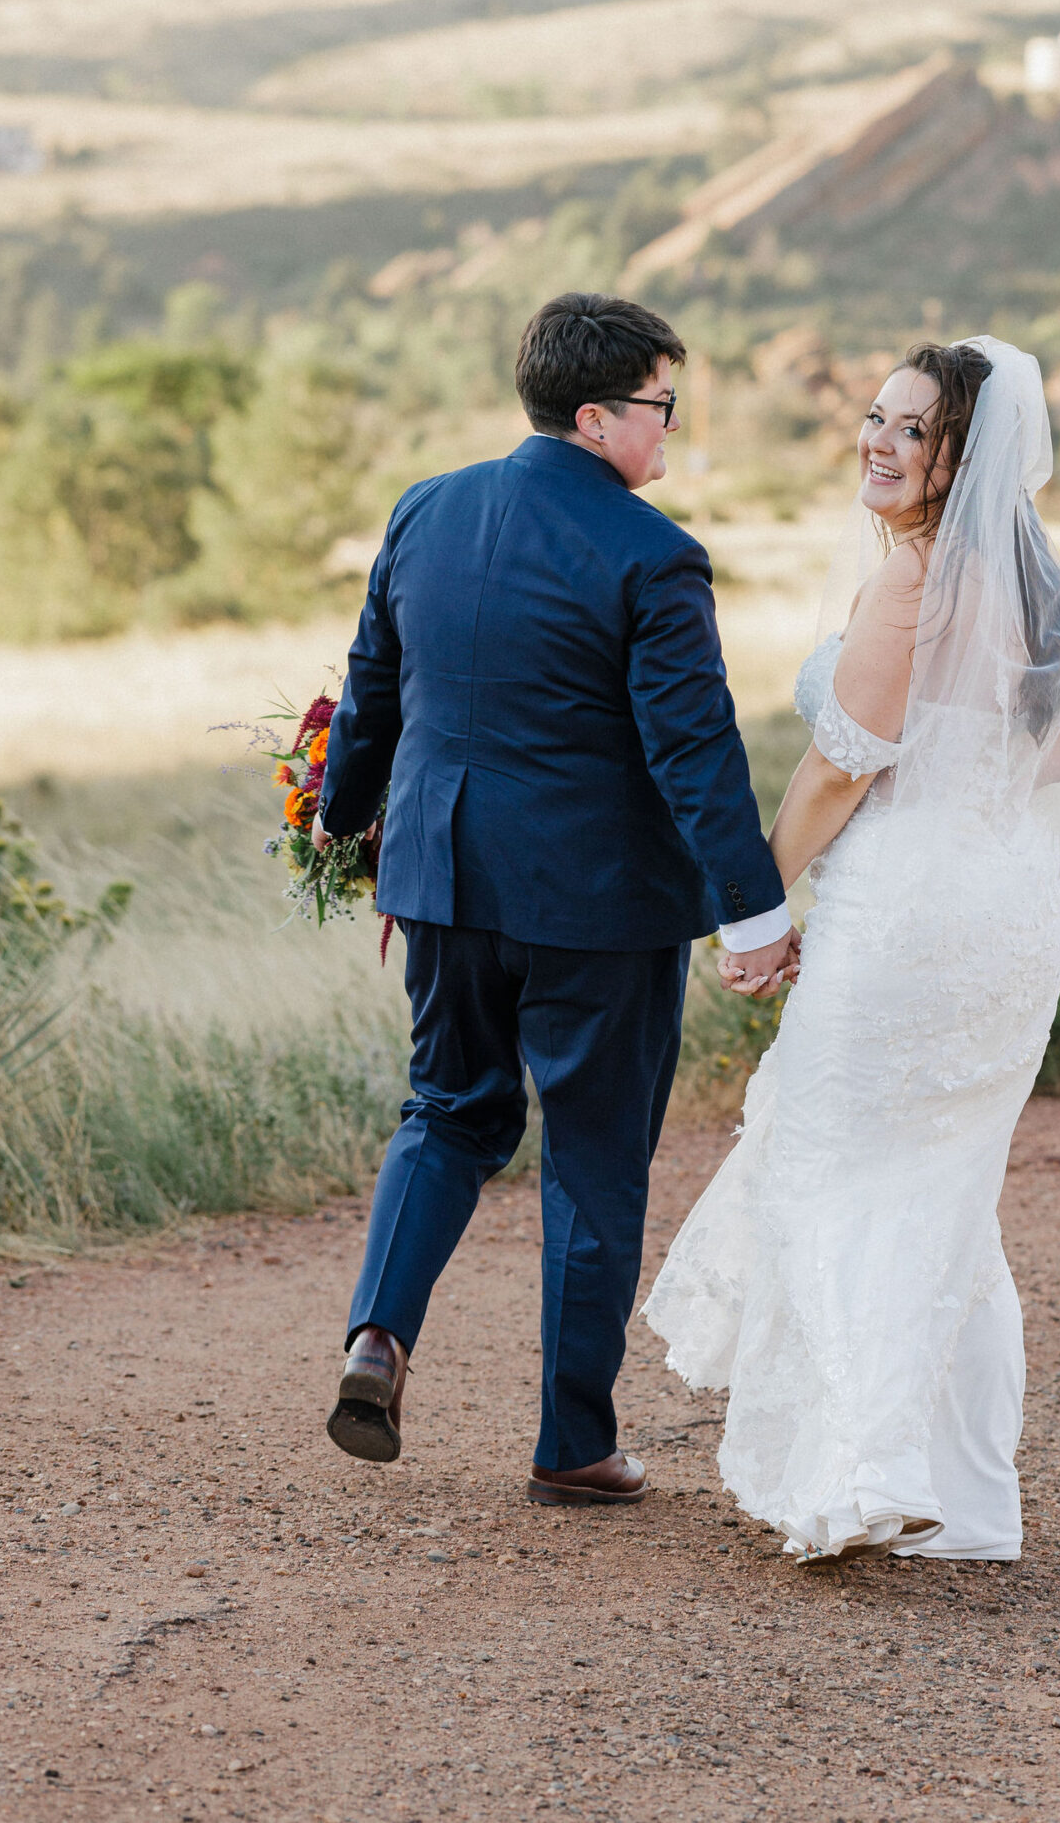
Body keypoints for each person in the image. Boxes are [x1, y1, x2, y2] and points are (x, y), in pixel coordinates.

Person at [314, 291, 796, 1505]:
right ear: (595, 416)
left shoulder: (427, 508)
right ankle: (572, 1446)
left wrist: (344, 828)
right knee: (592, 1158)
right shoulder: (654, 554)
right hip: (599, 908)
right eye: (660, 405)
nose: (672, 428)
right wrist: (755, 907)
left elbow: (374, 690)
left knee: (448, 1111)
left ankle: (379, 1335)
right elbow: (697, 752)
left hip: (446, 880)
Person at [646, 336, 1060, 1562]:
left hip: (903, 920)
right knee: (947, 1200)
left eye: (911, 429)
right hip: (1003, 920)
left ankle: (869, 1469)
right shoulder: (1041, 592)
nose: (878, 444)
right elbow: (1035, 764)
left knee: (834, 1172)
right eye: (875, 419)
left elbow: (841, 767)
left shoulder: (915, 583)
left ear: (963, 456)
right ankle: (972, 1499)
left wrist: (757, 907)